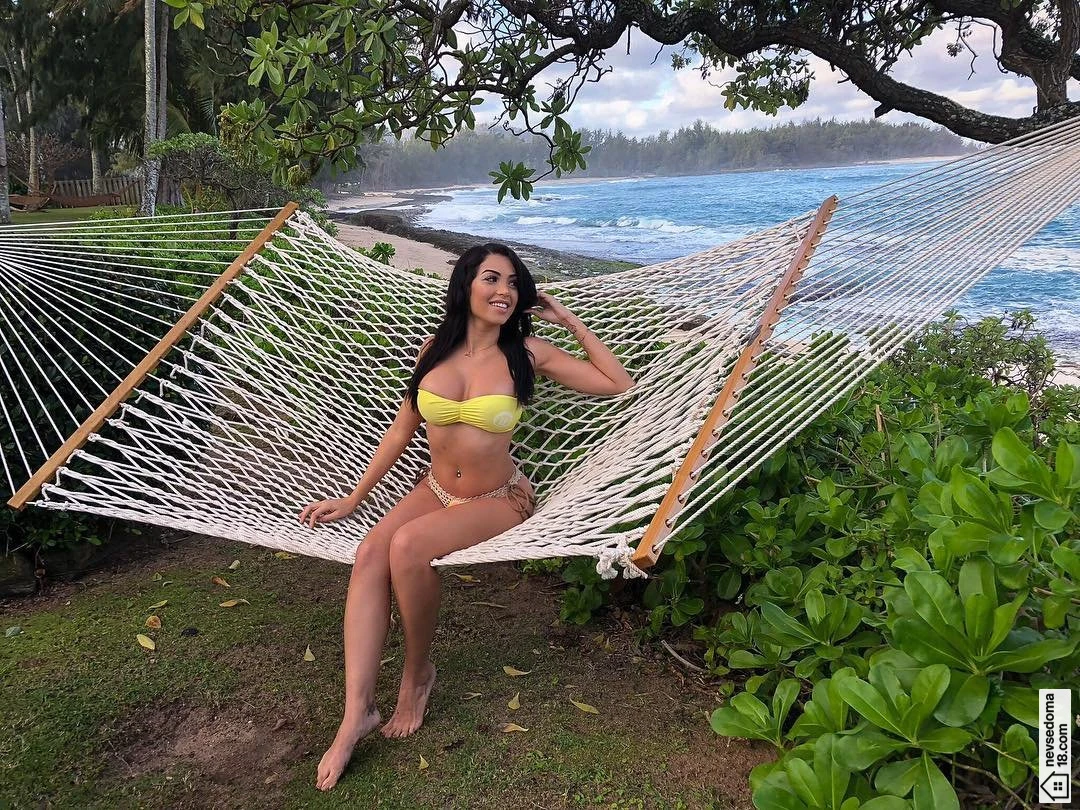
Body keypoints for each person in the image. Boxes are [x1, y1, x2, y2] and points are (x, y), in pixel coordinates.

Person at [300, 243, 635, 791]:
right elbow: (402, 430)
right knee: (369, 554)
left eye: (514, 283)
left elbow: (619, 384)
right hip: (434, 489)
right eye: (492, 278)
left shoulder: (527, 353)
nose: (504, 291)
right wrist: (355, 499)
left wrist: (570, 321)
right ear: (466, 285)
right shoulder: (434, 350)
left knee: (408, 547)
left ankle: (417, 674)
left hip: (499, 499)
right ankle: (356, 713)